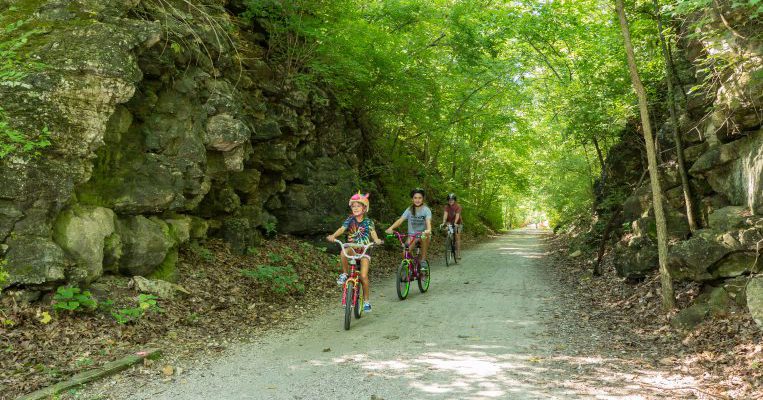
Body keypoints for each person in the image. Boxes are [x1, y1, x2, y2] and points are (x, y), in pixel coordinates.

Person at [327, 192, 382, 312]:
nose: (355, 208)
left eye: (358, 206)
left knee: (363, 276)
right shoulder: (350, 219)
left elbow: (373, 232)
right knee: (343, 251)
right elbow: (342, 229)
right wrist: (333, 235)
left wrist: (376, 239)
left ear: (364, 208)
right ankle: (345, 273)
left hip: (364, 251)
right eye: (353, 206)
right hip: (352, 249)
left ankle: (366, 301)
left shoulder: (368, 221)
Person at [385, 188, 432, 269]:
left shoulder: (426, 210)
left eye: (420, 198)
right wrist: (390, 228)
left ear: (423, 199)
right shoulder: (409, 209)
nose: (417, 200)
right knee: (405, 253)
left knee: (424, 236)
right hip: (412, 235)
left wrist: (428, 230)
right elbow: (400, 220)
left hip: (423, 235)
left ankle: (423, 260)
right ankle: (412, 267)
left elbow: (428, 222)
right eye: (415, 198)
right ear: (412, 199)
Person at [440, 193, 463, 259]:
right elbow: (445, 215)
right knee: (447, 230)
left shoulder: (458, 206)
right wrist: (443, 222)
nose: (451, 201)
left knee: (457, 236)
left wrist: (455, 223)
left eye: (452, 199)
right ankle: (449, 242)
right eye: (449, 200)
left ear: (454, 200)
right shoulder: (446, 207)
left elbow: (457, 216)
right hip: (449, 222)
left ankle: (458, 254)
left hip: (458, 223)